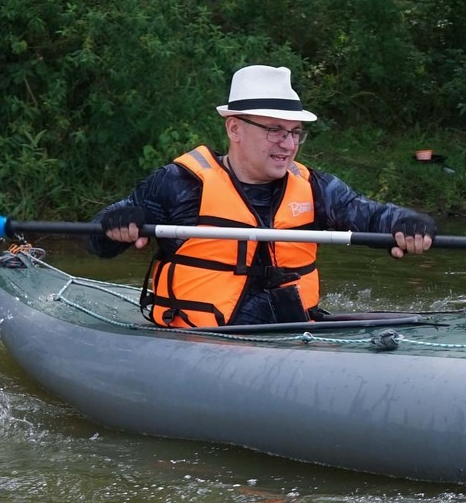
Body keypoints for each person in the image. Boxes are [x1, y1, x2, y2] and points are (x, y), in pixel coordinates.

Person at [90, 65, 438, 328]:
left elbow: (368, 215)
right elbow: (99, 240)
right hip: (198, 338)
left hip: (291, 333)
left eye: (295, 133)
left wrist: (407, 223)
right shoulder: (179, 183)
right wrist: (118, 223)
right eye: (274, 130)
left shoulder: (315, 186)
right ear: (235, 128)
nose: (287, 145)